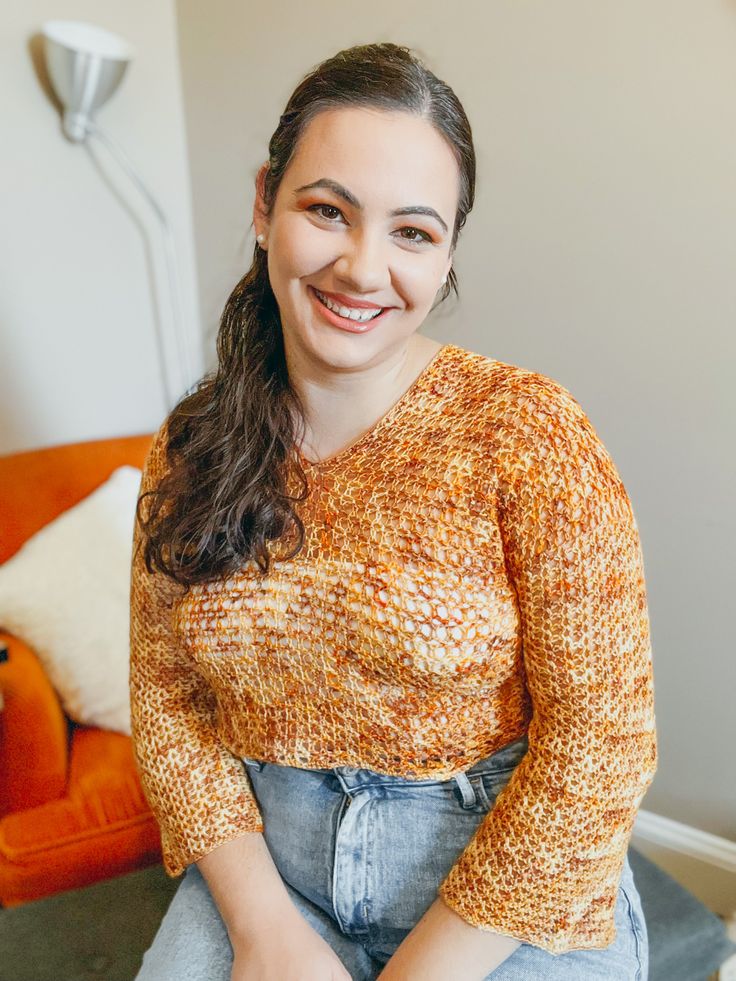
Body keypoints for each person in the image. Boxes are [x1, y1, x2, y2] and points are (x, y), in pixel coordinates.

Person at [129, 41, 657, 981]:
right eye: (327, 211)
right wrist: (262, 931)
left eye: (412, 232)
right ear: (264, 205)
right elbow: (169, 704)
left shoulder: (527, 433)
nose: (363, 268)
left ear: (447, 248)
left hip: (504, 885)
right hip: (273, 879)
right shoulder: (191, 445)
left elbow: (602, 739)